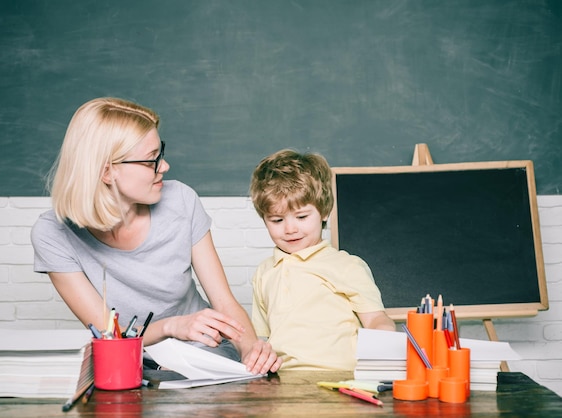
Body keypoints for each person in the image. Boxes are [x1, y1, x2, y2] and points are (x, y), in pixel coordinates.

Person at [31, 97, 280, 375]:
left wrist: (249, 349)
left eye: (160, 153)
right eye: (151, 160)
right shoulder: (53, 234)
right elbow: (109, 336)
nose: (164, 166)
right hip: (129, 365)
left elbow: (224, 302)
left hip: (203, 358)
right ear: (106, 171)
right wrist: (172, 326)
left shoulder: (181, 200)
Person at [249, 149, 395, 371]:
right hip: (284, 383)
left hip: (341, 378)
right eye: (277, 220)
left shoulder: (347, 266)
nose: (290, 229)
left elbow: (376, 319)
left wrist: (383, 343)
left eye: (302, 217)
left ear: (324, 211)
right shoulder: (264, 272)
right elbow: (261, 338)